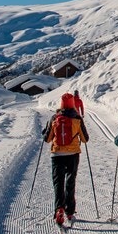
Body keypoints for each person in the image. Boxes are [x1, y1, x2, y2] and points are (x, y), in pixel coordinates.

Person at [44, 92, 90, 225]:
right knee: (70, 182)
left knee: (58, 182)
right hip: (73, 155)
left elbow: (47, 139)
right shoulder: (77, 118)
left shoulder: (54, 117)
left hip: (57, 154)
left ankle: (59, 208)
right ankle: (70, 211)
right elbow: (85, 139)